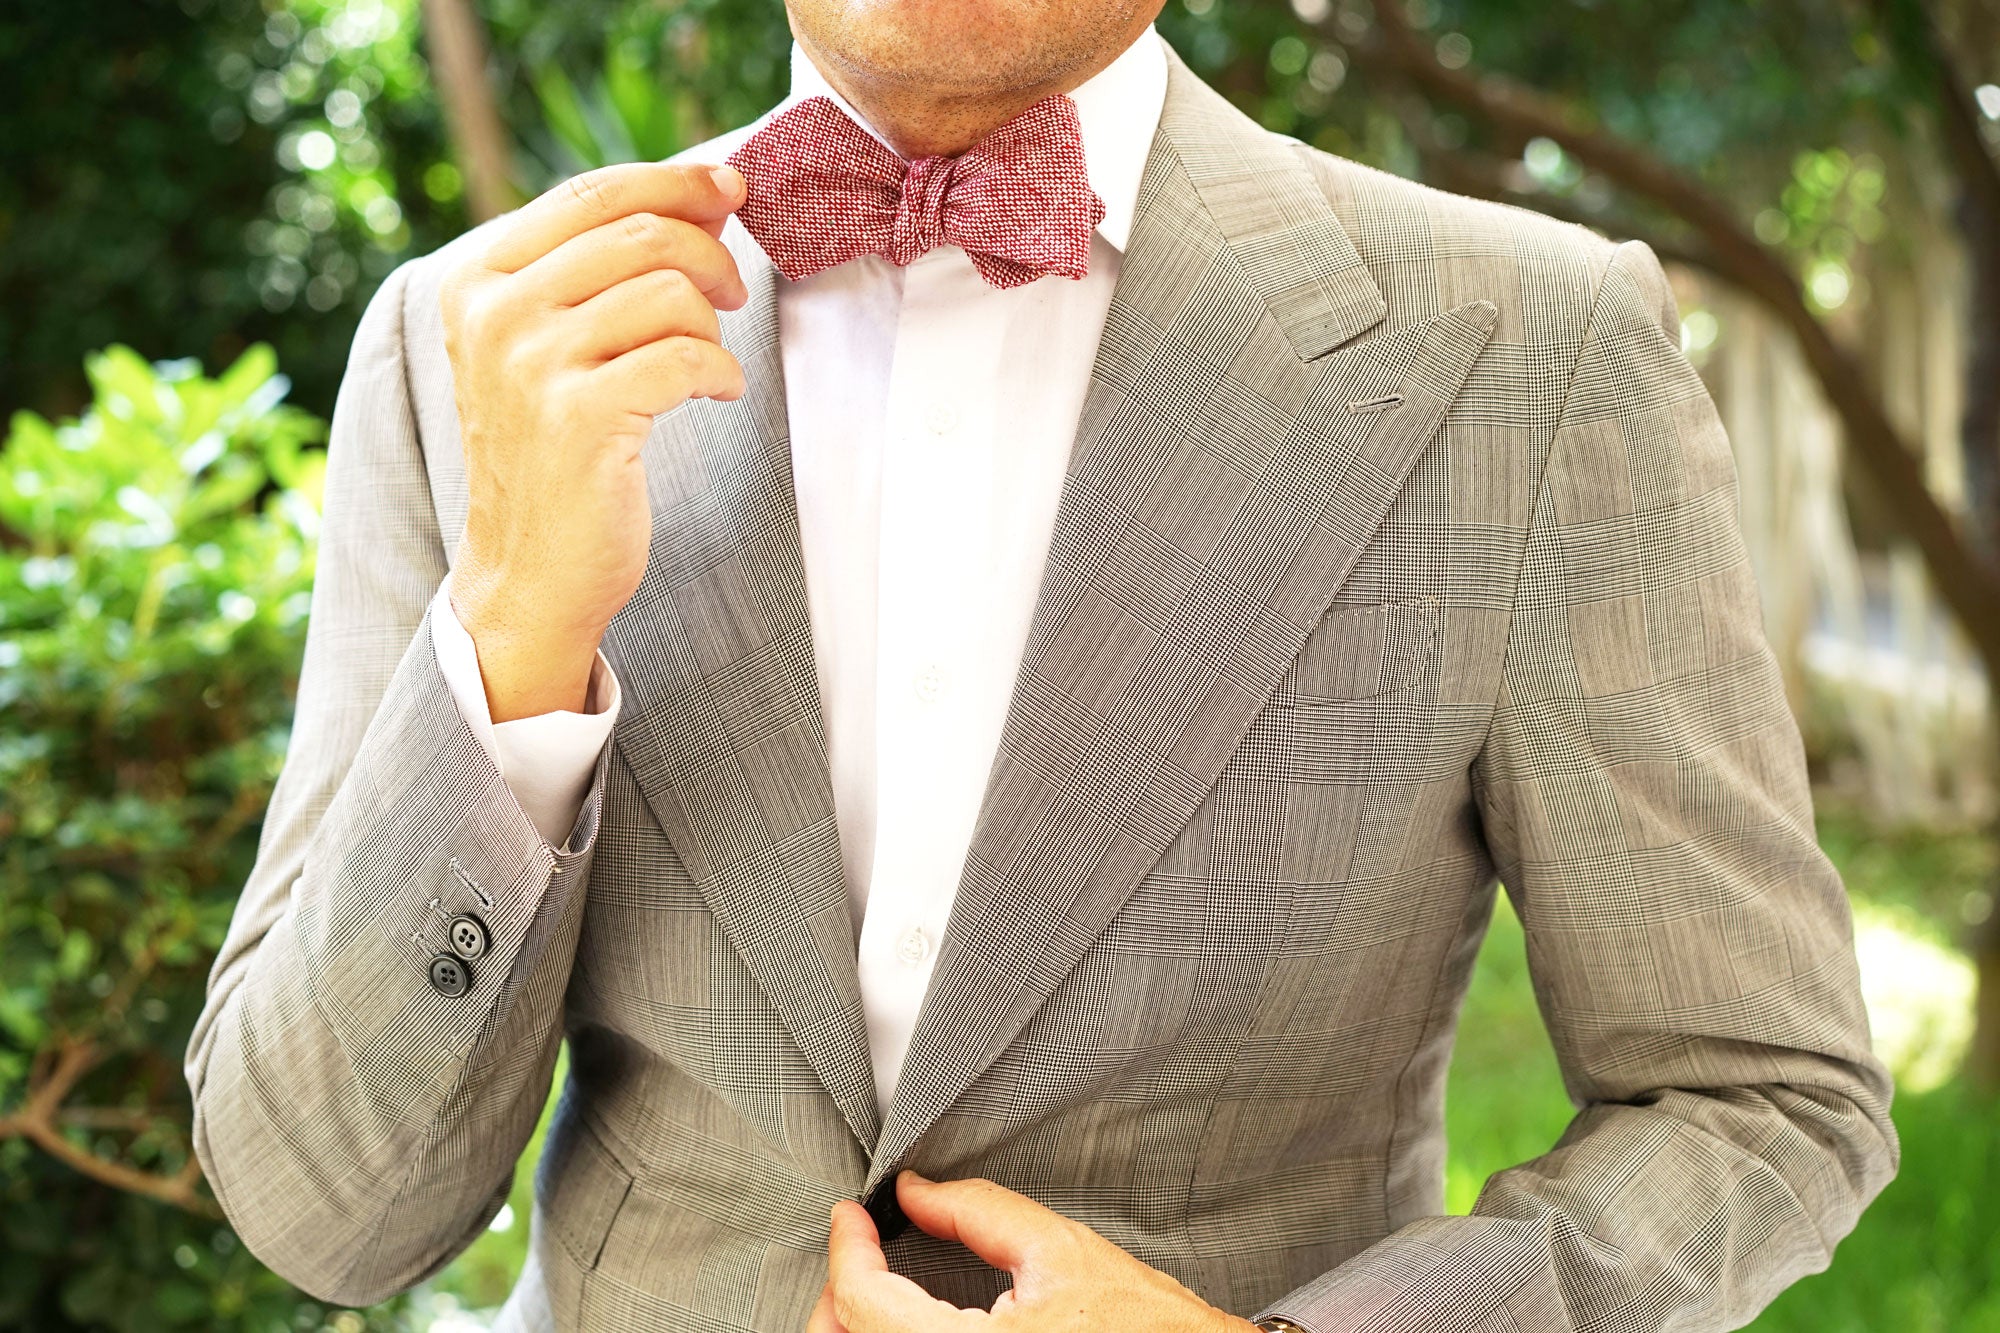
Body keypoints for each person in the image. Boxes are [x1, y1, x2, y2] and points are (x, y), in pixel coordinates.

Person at [184, 1, 1899, 1329]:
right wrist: (512, 637)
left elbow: (1759, 1093)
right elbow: (325, 1206)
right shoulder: (461, 345)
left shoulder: (1528, 355)